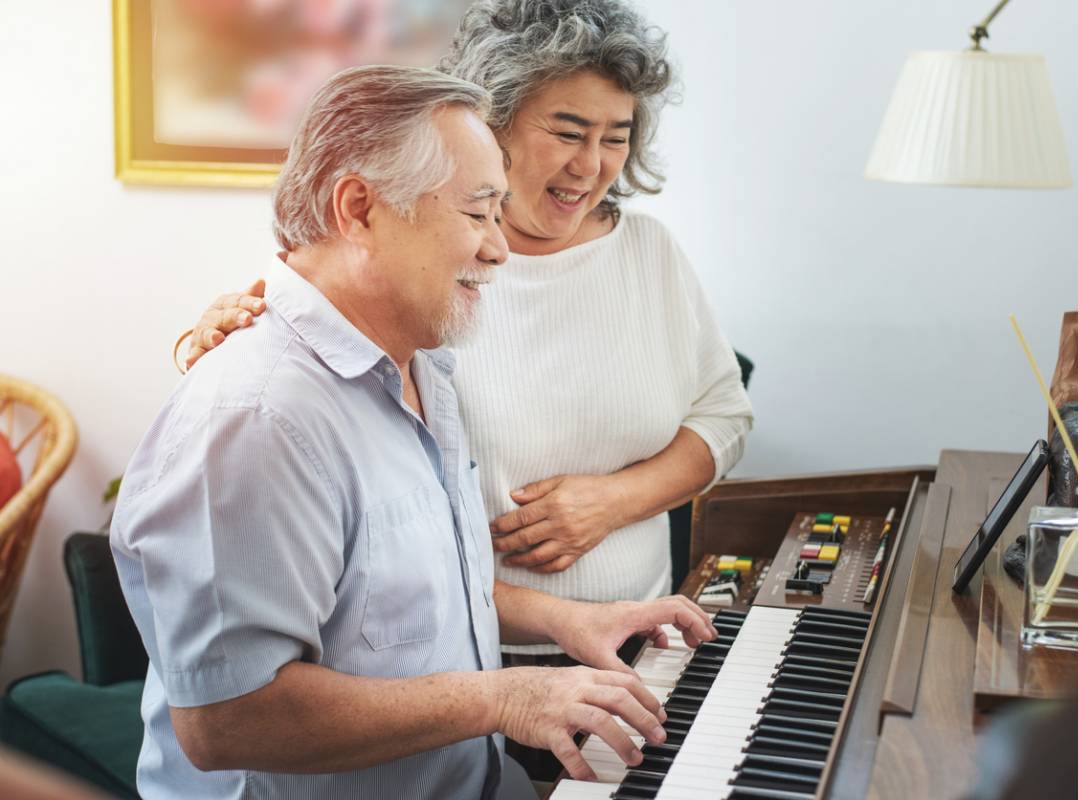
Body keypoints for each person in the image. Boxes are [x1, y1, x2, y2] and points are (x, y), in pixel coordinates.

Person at [112, 65, 715, 800]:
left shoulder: (423, 363)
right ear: (360, 208)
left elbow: (412, 596)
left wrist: (568, 619)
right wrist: (505, 698)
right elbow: (227, 722)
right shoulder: (255, 418)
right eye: (478, 213)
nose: (499, 248)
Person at [186, 0, 752, 664]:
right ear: (494, 124)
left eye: (616, 136)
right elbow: (284, 356)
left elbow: (723, 415)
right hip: (471, 660)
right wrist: (209, 340)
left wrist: (613, 501)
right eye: (568, 132)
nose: (592, 165)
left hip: (642, 638)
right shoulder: (417, 263)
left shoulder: (650, 253)